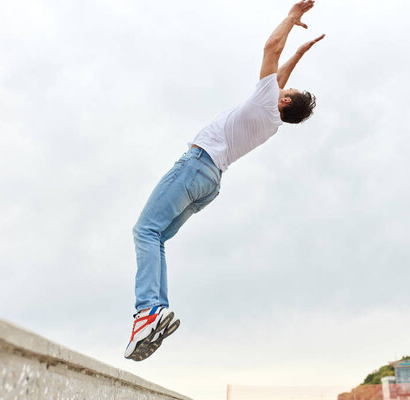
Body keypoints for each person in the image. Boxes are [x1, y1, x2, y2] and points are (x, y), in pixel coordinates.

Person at [124, 0, 325, 361]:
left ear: (282, 100)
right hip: (210, 184)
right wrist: (299, 52)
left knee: (145, 232)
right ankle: (155, 312)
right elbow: (281, 76)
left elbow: (269, 50)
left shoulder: (266, 102)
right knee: (158, 239)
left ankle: (147, 311)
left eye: (283, 90)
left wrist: (291, 19)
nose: (279, 84)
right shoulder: (272, 122)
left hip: (196, 166)